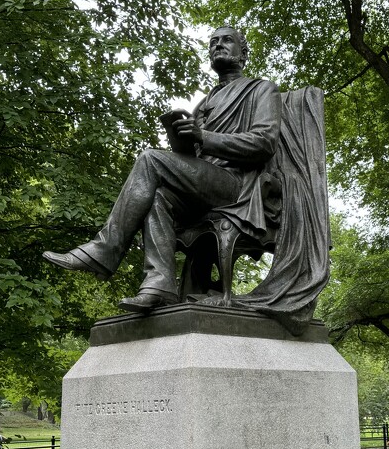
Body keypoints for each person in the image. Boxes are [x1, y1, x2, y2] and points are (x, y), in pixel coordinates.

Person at [43, 27, 282, 312]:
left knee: (150, 158)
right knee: (157, 196)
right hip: (203, 185)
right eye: (213, 42)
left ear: (243, 53)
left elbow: (263, 143)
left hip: (237, 186)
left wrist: (203, 136)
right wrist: (180, 139)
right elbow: (191, 158)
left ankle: (104, 250)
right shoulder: (205, 102)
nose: (218, 45)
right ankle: (159, 285)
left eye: (226, 40)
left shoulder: (262, 89)